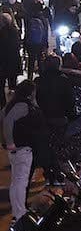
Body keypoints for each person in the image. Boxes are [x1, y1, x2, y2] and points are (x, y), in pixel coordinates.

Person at [4, 80, 44, 222]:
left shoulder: (12, 104)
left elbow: (4, 118)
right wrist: (10, 143)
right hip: (22, 148)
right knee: (21, 182)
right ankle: (20, 214)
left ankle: (17, 211)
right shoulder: (23, 106)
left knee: (16, 182)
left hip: (16, 149)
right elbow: (7, 121)